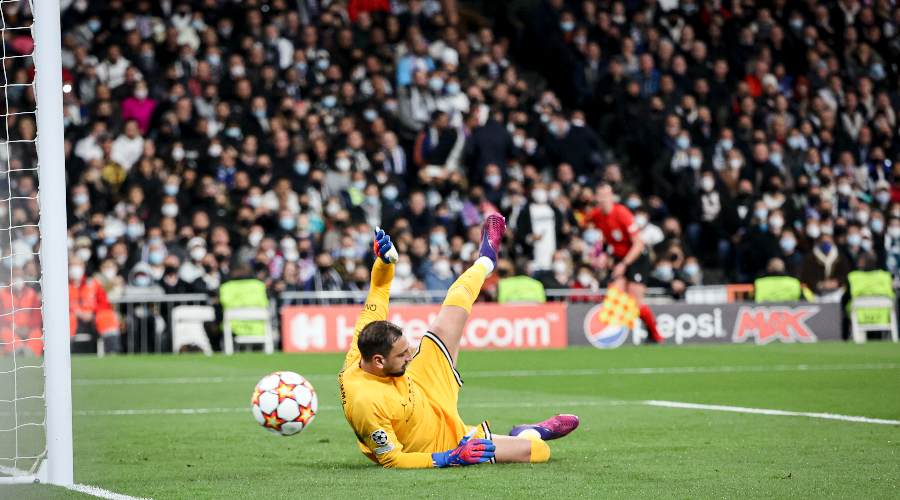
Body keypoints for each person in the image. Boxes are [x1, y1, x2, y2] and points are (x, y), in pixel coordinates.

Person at [338, 215, 579, 469]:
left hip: (420, 382)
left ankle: (486, 260)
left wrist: (384, 263)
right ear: (378, 361)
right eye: (401, 355)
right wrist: (449, 458)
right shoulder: (365, 402)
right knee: (538, 451)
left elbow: (378, 288)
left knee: (453, 307)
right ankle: (529, 432)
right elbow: (392, 459)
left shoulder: (363, 346)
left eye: (406, 349)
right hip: (440, 443)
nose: (410, 354)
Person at [586, 183, 663, 343]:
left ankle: (655, 334)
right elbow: (599, 237)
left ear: (612, 196)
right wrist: (601, 255)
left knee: (635, 301)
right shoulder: (596, 215)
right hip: (619, 258)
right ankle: (620, 334)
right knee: (614, 295)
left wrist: (624, 264)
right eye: (600, 196)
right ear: (596, 198)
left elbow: (639, 243)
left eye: (607, 195)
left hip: (636, 258)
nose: (604, 199)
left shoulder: (622, 213)